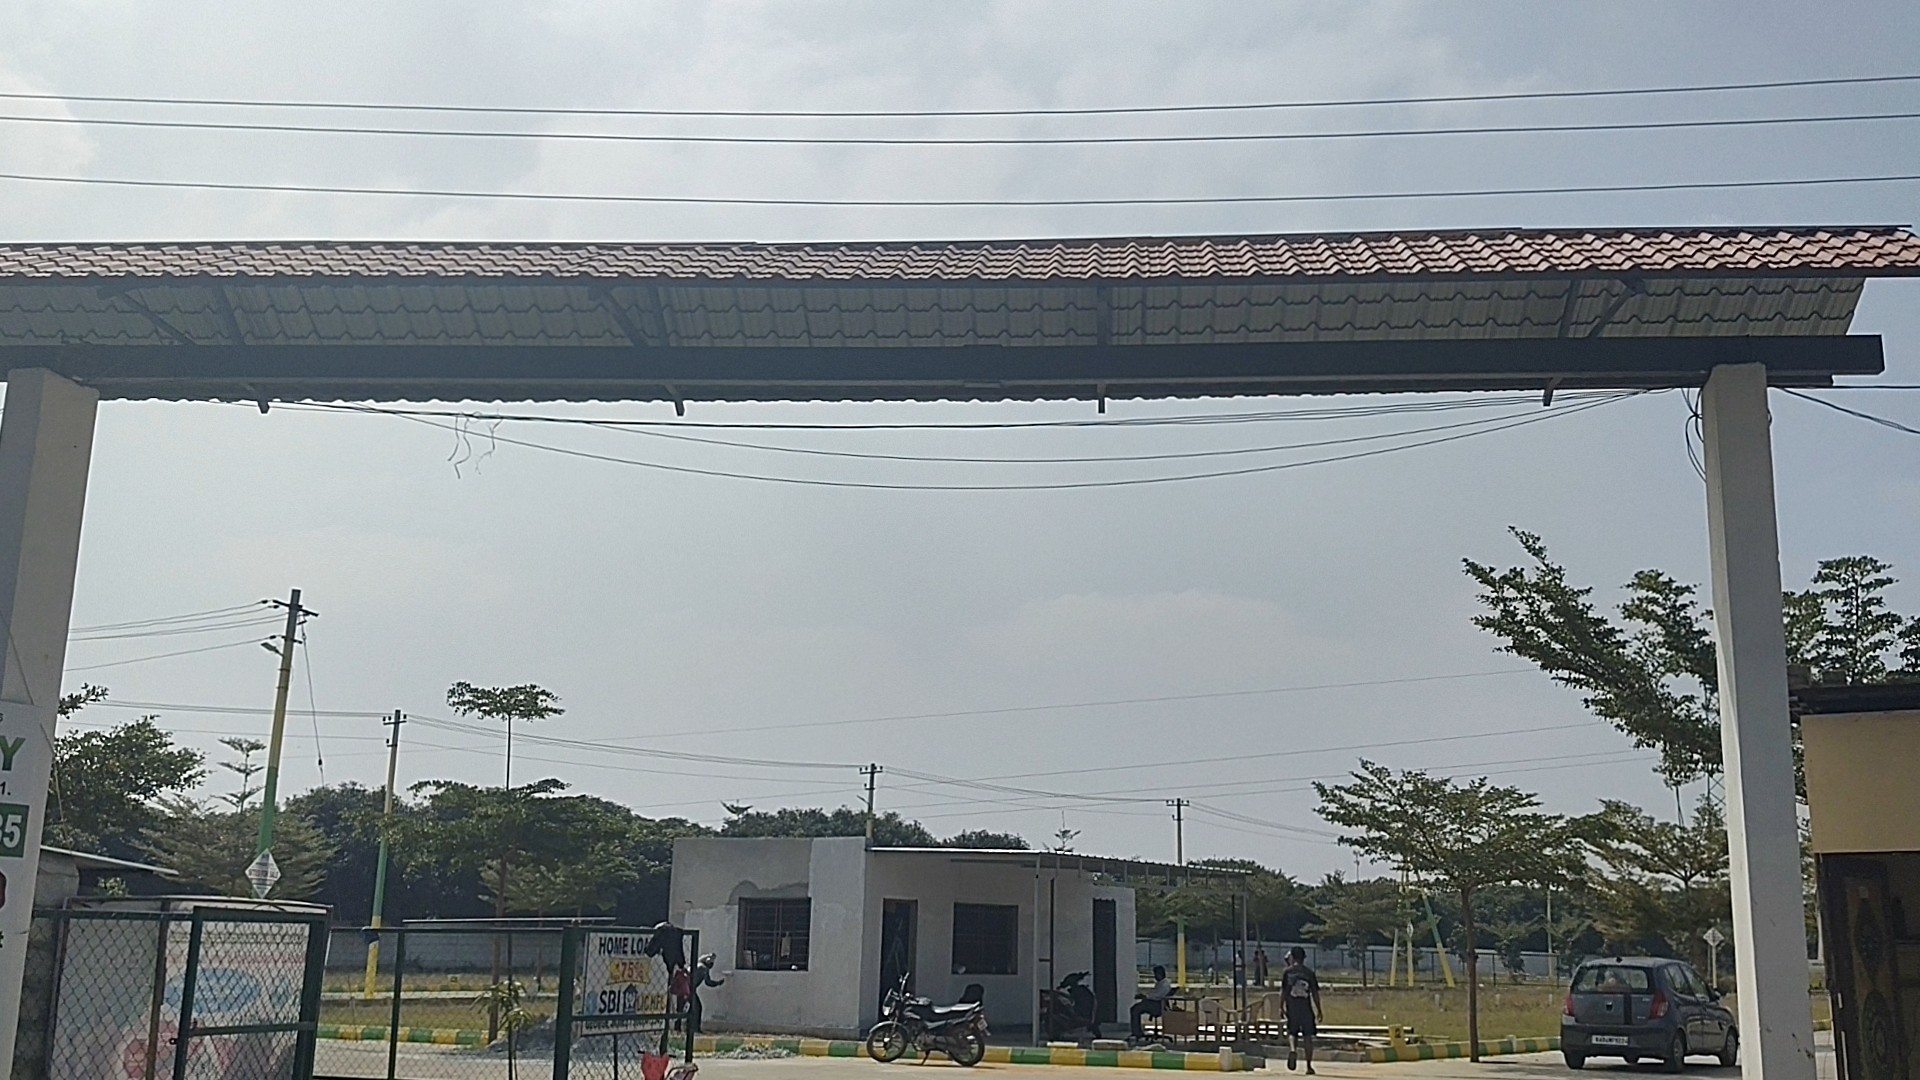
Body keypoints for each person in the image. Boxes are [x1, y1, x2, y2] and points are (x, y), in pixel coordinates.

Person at [1280, 947, 1322, 1074]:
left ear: (1292, 957)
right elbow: (1315, 993)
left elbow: (1283, 991)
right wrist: (1319, 1010)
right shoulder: (1309, 973)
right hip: (1306, 1008)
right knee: (1308, 1036)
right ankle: (1309, 1066)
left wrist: (1281, 1006)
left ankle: (1293, 1049)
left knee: (1292, 1032)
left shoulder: (1287, 972)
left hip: (1292, 1007)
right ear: (1304, 958)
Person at [1130, 965, 1173, 1041]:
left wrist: (1145, 996)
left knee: (1135, 1009)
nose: (1155, 976)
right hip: (1155, 1003)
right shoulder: (1161, 983)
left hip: (1157, 1005)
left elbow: (1157, 996)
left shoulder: (1164, 984)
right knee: (1136, 1008)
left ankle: (1137, 1032)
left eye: (1156, 974)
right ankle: (1137, 1031)